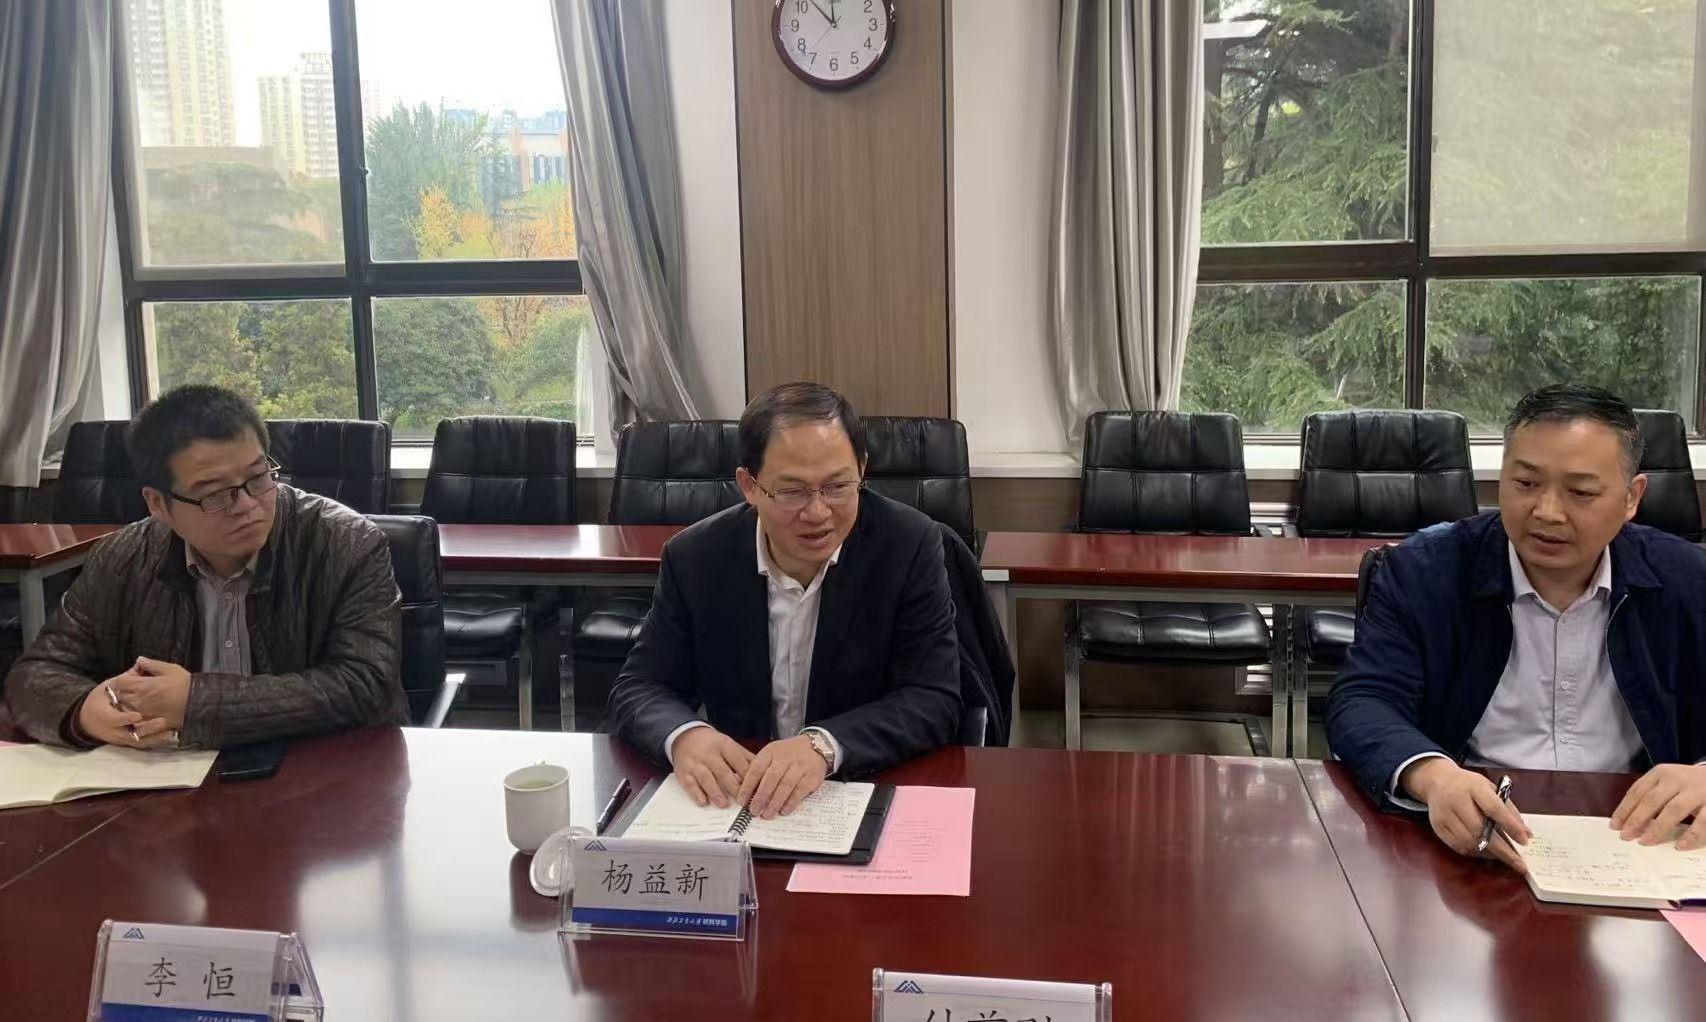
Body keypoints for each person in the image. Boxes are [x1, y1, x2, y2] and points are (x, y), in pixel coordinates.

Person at [1327, 384, 1706, 872]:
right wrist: (1434, 776)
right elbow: (1363, 700)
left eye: (1581, 492)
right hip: (1470, 841)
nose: (1547, 512)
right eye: (1525, 483)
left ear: (1632, 497)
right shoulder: (1424, 571)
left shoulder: (1688, 582)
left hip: (1642, 845)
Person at [608, 382, 962, 819]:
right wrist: (685, 736)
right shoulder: (696, 558)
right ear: (749, 485)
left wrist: (824, 745)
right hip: (742, 801)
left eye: (837, 486)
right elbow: (639, 686)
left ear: (862, 471)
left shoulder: (908, 545)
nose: (817, 512)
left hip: (860, 791)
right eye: (793, 491)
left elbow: (934, 697)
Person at [4, 385, 408, 749]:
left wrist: (197, 702)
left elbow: (366, 686)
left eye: (258, 477)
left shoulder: (346, 543)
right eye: (214, 494)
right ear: (158, 504)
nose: (246, 505)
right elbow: (34, 675)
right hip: (167, 783)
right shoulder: (121, 558)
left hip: (317, 772)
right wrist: (82, 712)